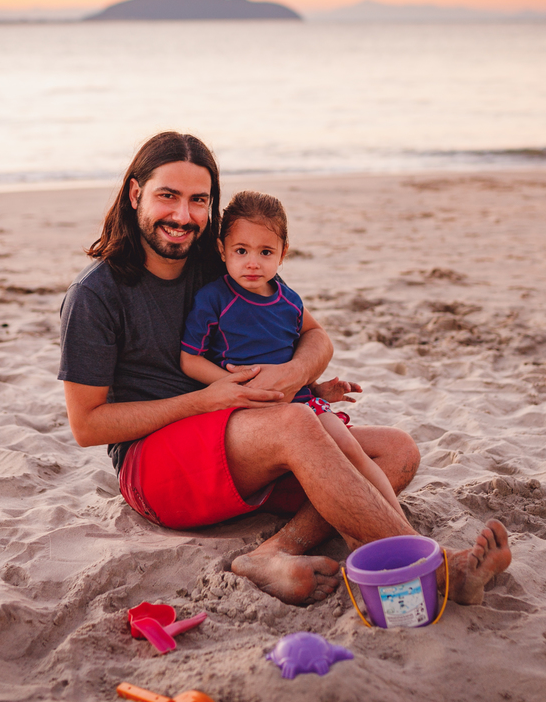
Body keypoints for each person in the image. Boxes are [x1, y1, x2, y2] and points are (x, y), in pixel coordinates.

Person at [59, 131, 511, 606]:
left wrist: (294, 375)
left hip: (241, 433)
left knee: (396, 451)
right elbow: (87, 425)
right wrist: (206, 399)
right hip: (155, 468)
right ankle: (440, 569)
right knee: (298, 424)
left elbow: (314, 335)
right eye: (167, 196)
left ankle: (270, 554)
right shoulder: (96, 294)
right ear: (136, 195)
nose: (183, 215)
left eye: (198, 200)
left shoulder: (223, 260)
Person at [178, 190, 403, 515]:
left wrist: (313, 387)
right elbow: (190, 360)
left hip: (300, 402)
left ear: (283, 254)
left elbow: (298, 350)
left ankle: (397, 519)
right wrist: (236, 386)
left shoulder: (289, 302)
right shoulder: (213, 299)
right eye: (241, 250)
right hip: (243, 412)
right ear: (222, 250)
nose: (253, 262)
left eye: (265, 252)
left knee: (350, 452)